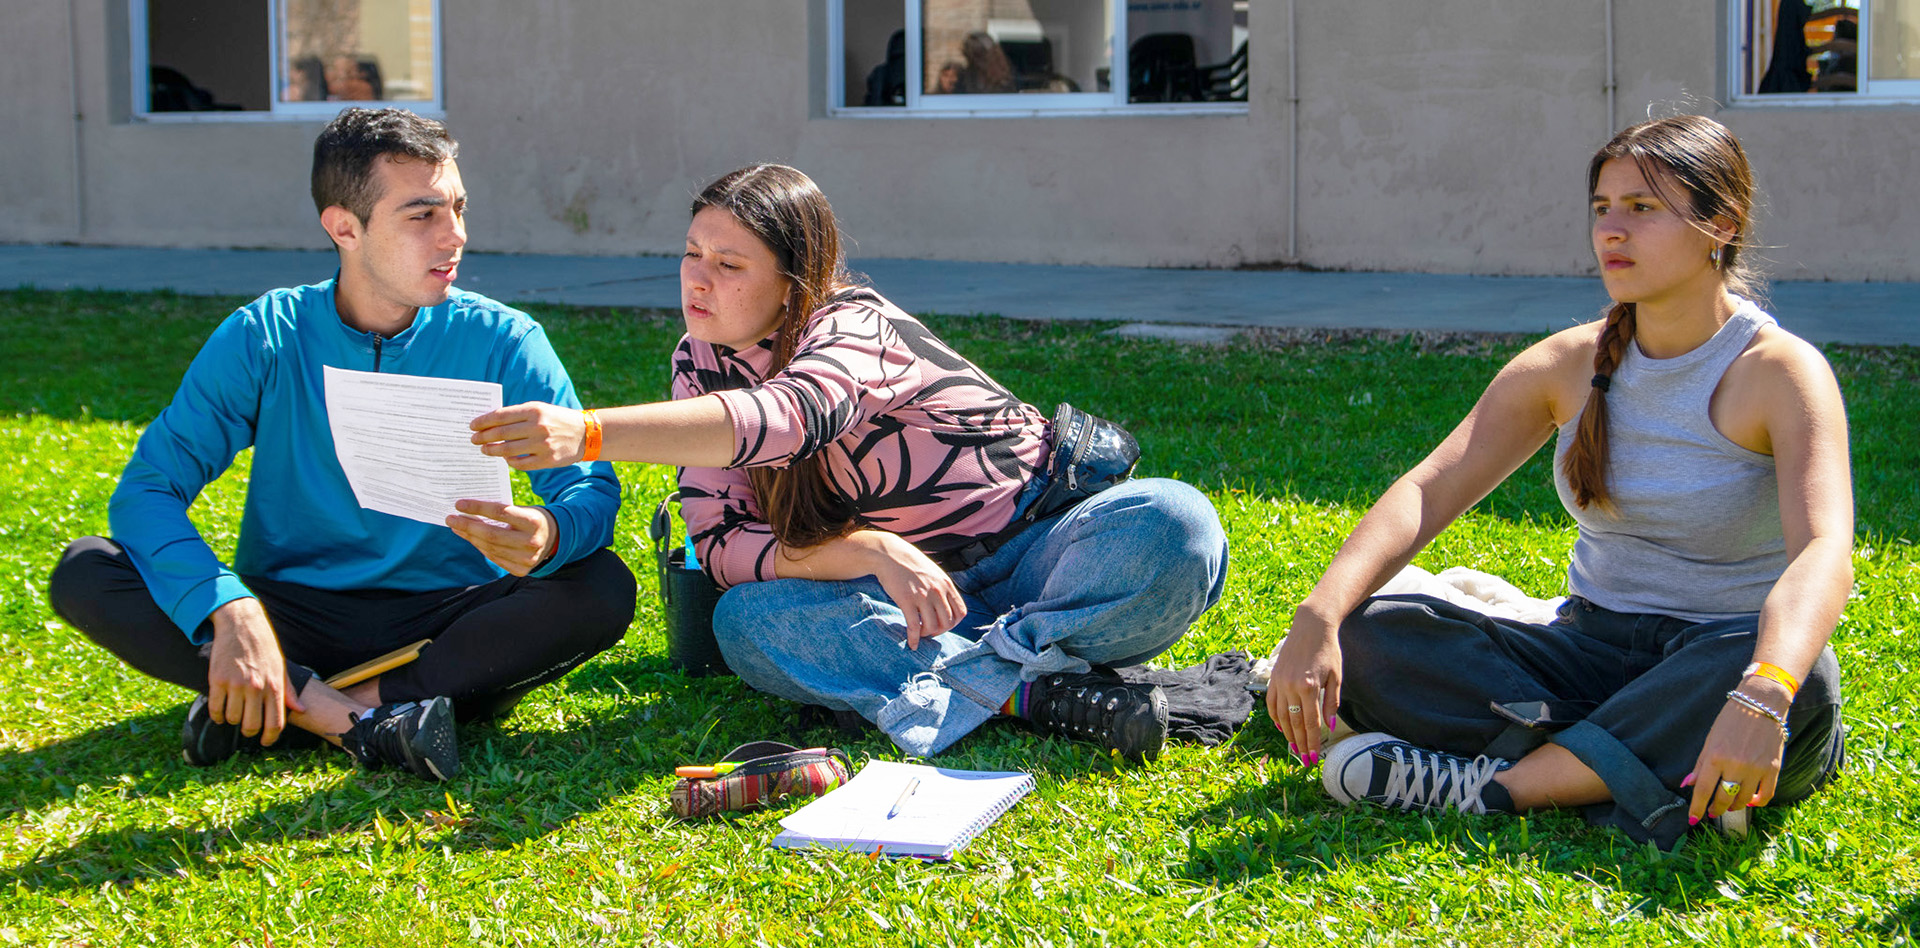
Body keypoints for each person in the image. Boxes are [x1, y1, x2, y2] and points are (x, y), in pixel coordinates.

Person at [469, 164, 1228, 760]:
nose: (698, 278)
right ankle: (1034, 690)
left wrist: (593, 432)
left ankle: (968, 685)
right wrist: (862, 549)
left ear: (795, 279)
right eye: (692, 253)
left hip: (1039, 555)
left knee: (1175, 524)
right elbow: (724, 543)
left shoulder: (856, 326)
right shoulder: (701, 362)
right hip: (901, 601)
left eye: (730, 263)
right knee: (746, 624)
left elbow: (791, 416)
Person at [1264, 115, 1849, 849]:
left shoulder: (1779, 372)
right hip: (1588, 650)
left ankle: (1501, 789)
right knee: (1370, 636)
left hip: (1719, 653)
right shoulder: (1568, 364)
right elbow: (1429, 489)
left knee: (1807, 685)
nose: (1612, 231)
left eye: (1642, 208)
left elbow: (1823, 551)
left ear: (1720, 225)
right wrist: (1320, 615)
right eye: (1603, 208)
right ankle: (1651, 768)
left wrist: (1764, 690)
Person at [47, 108, 636, 781]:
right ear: (344, 228)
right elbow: (149, 489)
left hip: (447, 619)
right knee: (87, 569)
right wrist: (226, 606)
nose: (456, 237)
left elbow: (591, 490)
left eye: (459, 208)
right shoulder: (265, 335)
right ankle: (365, 720)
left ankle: (292, 707)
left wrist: (550, 532)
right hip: (290, 611)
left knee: (601, 584)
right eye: (423, 216)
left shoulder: (505, 340)